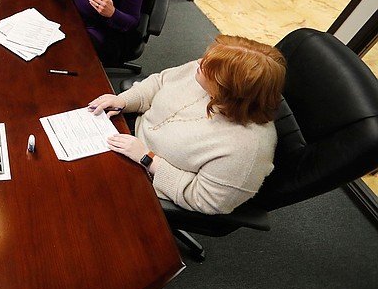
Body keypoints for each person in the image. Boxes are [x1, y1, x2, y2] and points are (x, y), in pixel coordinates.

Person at [89, 35, 287, 215]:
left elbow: (206, 200)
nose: (199, 63)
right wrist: (123, 100)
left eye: (209, 67)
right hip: (129, 135)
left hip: (147, 176)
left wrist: (148, 160)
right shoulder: (205, 71)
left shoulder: (246, 149)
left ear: (230, 89)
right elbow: (159, 82)